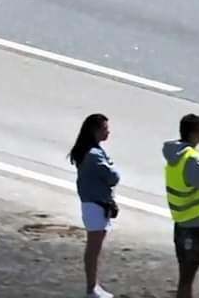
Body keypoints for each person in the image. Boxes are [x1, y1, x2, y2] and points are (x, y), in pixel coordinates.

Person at [163, 114, 199, 298]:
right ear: (194, 133)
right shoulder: (191, 160)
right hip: (194, 226)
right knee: (187, 277)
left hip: (180, 222)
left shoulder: (174, 155)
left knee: (185, 274)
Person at [68, 113, 121, 298]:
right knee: (93, 249)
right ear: (95, 130)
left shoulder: (92, 151)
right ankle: (92, 288)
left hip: (96, 204)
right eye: (105, 128)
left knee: (94, 247)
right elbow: (113, 176)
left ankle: (94, 286)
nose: (108, 132)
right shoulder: (93, 155)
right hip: (95, 205)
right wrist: (112, 168)